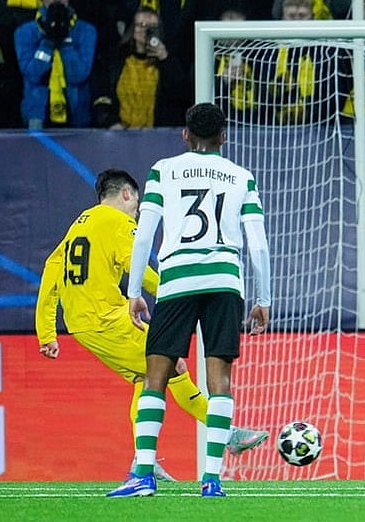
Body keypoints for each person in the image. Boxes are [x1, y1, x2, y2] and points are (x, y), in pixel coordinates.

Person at [35, 169, 270, 482]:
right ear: (128, 194)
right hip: (107, 320)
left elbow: (51, 272)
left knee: (146, 378)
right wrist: (175, 292)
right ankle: (228, 436)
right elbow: (138, 266)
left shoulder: (80, 224)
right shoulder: (119, 222)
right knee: (171, 366)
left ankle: (142, 459)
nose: (136, 211)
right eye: (137, 204)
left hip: (87, 322)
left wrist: (47, 332)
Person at [107, 103, 272, 498]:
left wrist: (133, 292)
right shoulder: (241, 177)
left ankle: (143, 475)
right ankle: (212, 480)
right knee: (220, 382)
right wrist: (263, 298)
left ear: (185, 135)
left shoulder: (163, 171)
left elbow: (144, 233)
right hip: (224, 282)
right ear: (224, 137)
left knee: (156, 378)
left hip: (177, 282)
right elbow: (259, 245)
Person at [91, 6, 188, 129]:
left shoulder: (169, 60)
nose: (146, 30)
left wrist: (165, 59)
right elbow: (102, 96)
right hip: (121, 134)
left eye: (152, 27)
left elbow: (181, 96)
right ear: (133, 29)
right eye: (141, 25)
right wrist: (111, 122)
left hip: (158, 137)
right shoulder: (115, 61)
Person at [13, 0, 96, 128]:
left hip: (76, 115)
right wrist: (48, 43)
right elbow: (33, 74)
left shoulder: (86, 31)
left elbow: (78, 75)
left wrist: (65, 42)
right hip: (37, 115)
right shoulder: (24, 32)